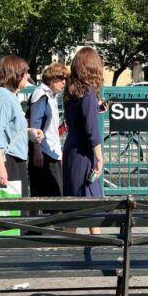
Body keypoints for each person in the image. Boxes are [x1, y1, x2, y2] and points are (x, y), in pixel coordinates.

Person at [0, 55, 43, 197]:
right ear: (16, 74)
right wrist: (0, 167)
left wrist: (29, 132)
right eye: (25, 72)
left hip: (9, 159)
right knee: (9, 208)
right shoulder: (2, 96)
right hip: (7, 162)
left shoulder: (4, 95)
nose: (27, 76)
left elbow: (6, 129)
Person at [63, 47, 105, 217]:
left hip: (71, 149)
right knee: (90, 202)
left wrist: (96, 109)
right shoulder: (89, 93)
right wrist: (100, 158)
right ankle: (95, 236)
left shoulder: (71, 91)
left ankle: (71, 233)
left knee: (74, 203)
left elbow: (79, 118)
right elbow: (91, 130)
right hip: (84, 154)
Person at [28, 62, 68, 197]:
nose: (64, 82)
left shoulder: (50, 95)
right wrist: (37, 150)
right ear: (51, 78)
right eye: (61, 78)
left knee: (50, 194)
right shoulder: (42, 95)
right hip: (44, 153)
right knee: (51, 194)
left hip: (49, 151)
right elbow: (35, 125)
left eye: (65, 79)